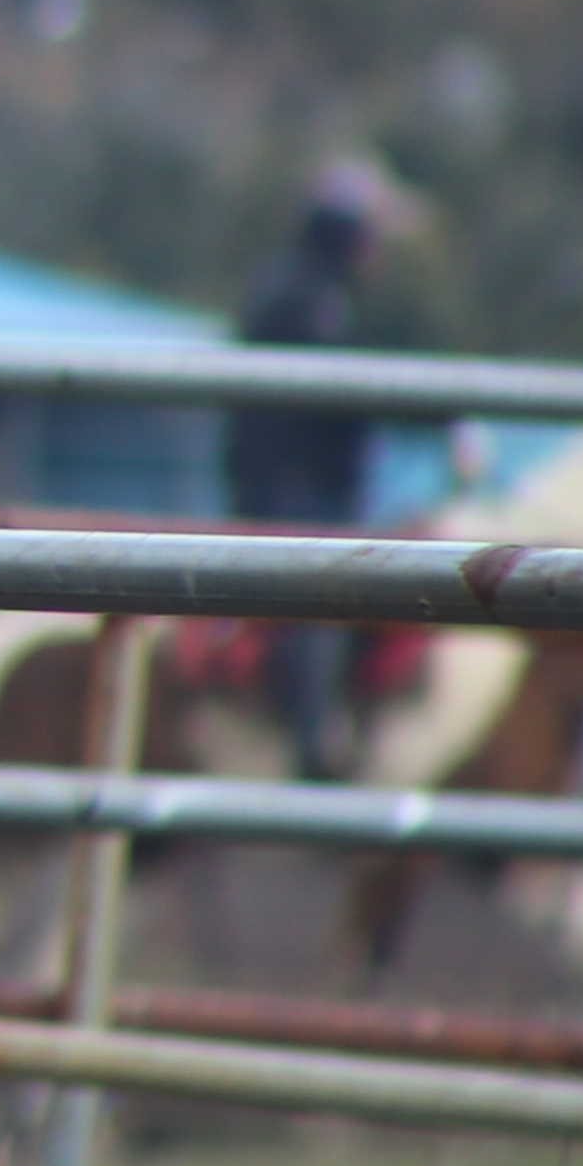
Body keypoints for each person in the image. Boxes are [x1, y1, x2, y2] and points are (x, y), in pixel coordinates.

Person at [222, 160, 408, 773]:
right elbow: (339, 395)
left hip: (299, 485)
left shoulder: (308, 294)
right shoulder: (308, 302)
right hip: (295, 492)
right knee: (322, 592)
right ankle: (311, 744)